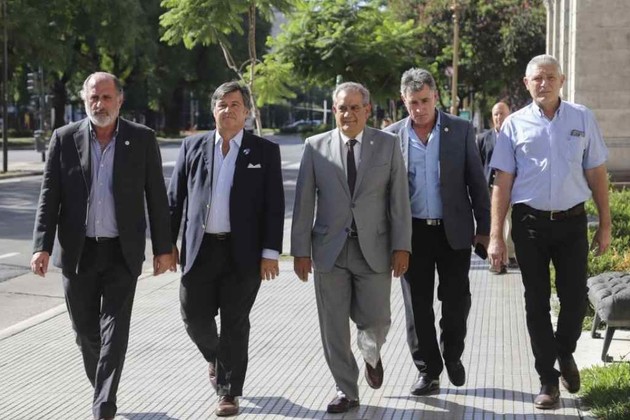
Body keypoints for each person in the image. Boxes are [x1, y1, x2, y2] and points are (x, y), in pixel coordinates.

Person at [30, 72, 173, 420]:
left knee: (115, 331)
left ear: (120, 100)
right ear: (85, 100)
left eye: (107, 97)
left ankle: (104, 405)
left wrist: (163, 248)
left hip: (122, 251)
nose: (100, 104)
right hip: (78, 252)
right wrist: (41, 246)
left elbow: (156, 196)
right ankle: (102, 389)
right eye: (94, 97)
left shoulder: (142, 139)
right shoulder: (64, 139)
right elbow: (50, 197)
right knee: (85, 332)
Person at [488, 54, 611, 409]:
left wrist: (605, 224)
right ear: (526, 84)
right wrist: (496, 236)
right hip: (530, 225)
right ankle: (547, 379)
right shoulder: (514, 125)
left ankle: (565, 351)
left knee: (575, 298)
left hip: (572, 222)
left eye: (550, 77)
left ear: (562, 80)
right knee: (536, 301)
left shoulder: (582, 118)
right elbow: (502, 183)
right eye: (537, 78)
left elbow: (597, 173)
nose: (544, 83)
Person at [291, 82, 411, 413]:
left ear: (367, 110)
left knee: (377, 319)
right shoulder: (315, 147)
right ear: (334, 111)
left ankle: (371, 353)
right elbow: (303, 202)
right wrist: (300, 251)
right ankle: (346, 389)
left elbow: (399, 200)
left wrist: (402, 246)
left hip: (374, 249)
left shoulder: (388, 144)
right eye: (343, 108)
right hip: (329, 250)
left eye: (355, 107)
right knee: (333, 327)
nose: (349, 114)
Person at [168, 81, 284, 417]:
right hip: (200, 250)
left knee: (235, 322)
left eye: (235, 105)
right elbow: (175, 200)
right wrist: (166, 245)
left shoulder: (264, 151)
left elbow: (274, 206)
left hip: (243, 253)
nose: (228, 110)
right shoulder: (192, 146)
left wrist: (270, 253)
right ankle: (216, 358)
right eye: (222, 104)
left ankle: (228, 392)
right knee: (193, 315)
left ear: (246, 112)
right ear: (213, 110)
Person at [384, 68, 490, 396]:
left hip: (453, 231)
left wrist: (485, 229)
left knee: (456, 301)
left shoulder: (459, 130)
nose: (420, 108)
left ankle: (452, 354)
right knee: (417, 306)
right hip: (412, 234)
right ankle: (428, 370)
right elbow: (384, 192)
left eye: (425, 101)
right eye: (413, 102)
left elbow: (476, 181)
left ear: (435, 96)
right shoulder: (391, 137)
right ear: (404, 101)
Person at [477, 101, 516, 274]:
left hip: (511, 188)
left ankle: (507, 257)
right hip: (489, 189)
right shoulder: (483, 138)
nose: (499, 117)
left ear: (509, 115)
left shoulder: (515, 137)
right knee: (493, 224)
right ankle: (496, 260)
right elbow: (478, 165)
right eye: (496, 114)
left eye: (502, 113)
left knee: (509, 223)